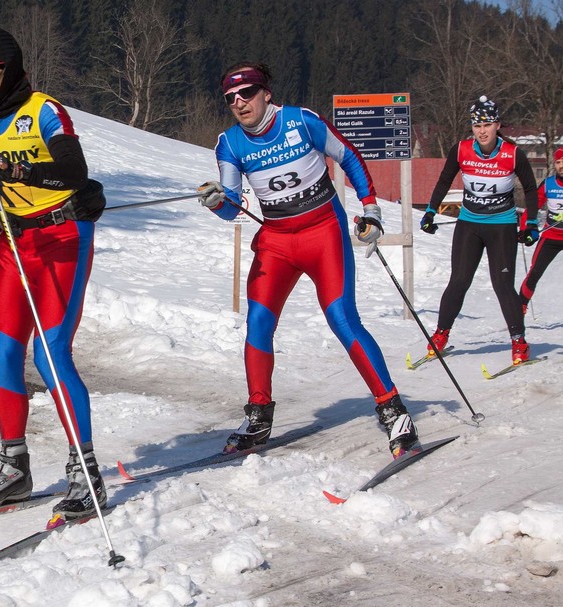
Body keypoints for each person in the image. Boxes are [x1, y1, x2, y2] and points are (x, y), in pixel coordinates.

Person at [196, 62, 419, 460]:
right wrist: (216, 201)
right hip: (277, 242)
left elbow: (349, 157)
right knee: (258, 322)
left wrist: (371, 209)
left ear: (266, 93)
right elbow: (231, 208)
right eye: (230, 98)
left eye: (246, 93)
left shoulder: (301, 121)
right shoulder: (229, 144)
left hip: (323, 232)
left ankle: (393, 409)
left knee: (341, 318)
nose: (239, 103)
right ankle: (258, 416)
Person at [0, 27, 107, 521]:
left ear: (9, 68)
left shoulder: (45, 111)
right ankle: (14, 468)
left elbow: (74, 171)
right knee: (4, 349)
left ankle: (85, 473)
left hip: (63, 237)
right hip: (15, 242)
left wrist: (18, 171)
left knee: (50, 353)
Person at [419, 96, 539, 364]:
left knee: (502, 285)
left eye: (487, 125)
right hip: (469, 224)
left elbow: (531, 189)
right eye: (477, 126)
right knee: (459, 280)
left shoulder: (512, 153)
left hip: (502, 226)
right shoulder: (461, 150)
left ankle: (519, 342)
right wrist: (430, 211)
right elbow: (444, 180)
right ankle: (440, 335)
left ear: (497, 125)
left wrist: (531, 223)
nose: (482, 131)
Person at [519, 148, 563, 313]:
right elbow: (533, 206)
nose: (561, 166)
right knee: (534, 274)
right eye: (558, 162)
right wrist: (525, 229)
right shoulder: (549, 184)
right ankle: (519, 309)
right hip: (551, 236)